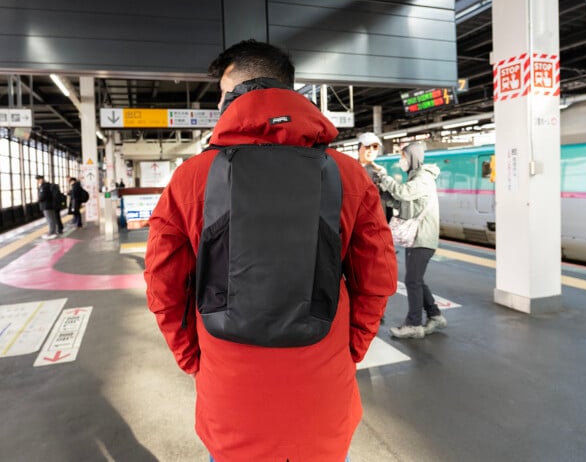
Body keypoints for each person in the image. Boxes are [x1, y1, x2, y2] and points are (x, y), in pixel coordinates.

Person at [144, 39, 398, 462]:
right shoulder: (349, 176)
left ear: (235, 92)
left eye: (221, 94)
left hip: (230, 399)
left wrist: (192, 358)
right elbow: (376, 281)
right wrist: (349, 350)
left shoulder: (191, 178)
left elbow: (163, 287)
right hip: (323, 398)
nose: (219, 104)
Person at [373, 141, 447, 339]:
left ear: (412, 157)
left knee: (412, 281)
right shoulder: (415, 177)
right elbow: (403, 204)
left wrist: (385, 177)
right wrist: (383, 193)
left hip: (422, 238)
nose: (401, 160)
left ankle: (414, 324)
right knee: (417, 279)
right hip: (416, 238)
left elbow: (403, 193)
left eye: (403, 156)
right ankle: (435, 315)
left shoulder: (422, 179)